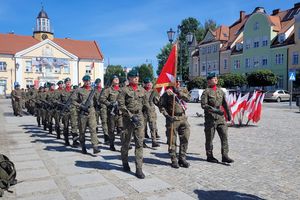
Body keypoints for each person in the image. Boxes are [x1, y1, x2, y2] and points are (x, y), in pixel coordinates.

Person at [117, 69, 150, 179]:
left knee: (139, 143)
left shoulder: (142, 90)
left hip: (139, 118)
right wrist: (131, 116)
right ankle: (125, 162)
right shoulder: (124, 90)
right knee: (126, 143)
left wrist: (148, 114)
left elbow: (146, 104)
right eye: (134, 77)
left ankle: (139, 168)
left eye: (137, 77)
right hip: (128, 119)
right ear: (129, 78)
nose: (136, 78)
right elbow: (121, 105)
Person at [200, 72, 234, 163]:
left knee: (224, 136)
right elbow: (203, 105)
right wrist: (215, 110)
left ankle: (225, 155)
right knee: (209, 138)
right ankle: (210, 156)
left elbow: (225, 104)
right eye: (213, 78)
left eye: (216, 78)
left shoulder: (220, 91)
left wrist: (229, 114)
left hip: (220, 118)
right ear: (209, 81)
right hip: (210, 119)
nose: (215, 79)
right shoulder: (206, 92)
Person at [159, 77, 191, 168]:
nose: (177, 83)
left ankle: (182, 158)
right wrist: (167, 116)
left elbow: (188, 99)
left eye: (179, 81)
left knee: (185, 138)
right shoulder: (167, 93)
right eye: (176, 82)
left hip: (183, 118)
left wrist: (178, 92)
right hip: (172, 119)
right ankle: (173, 159)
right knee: (172, 140)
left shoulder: (183, 90)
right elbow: (161, 106)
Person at [76, 75, 100, 154]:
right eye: (86, 81)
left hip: (91, 112)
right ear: (84, 81)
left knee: (93, 129)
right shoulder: (79, 90)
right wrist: (81, 106)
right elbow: (73, 101)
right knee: (82, 131)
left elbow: (97, 100)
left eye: (89, 81)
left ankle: (95, 146)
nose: (88, 82)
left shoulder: (93, 90)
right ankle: (83, 146)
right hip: (82, 113)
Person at [100, 75, 123, 151]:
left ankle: (124, 144)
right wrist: (109, 104)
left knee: (122, 128)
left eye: (117, 79)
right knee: (111, 129)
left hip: (120, 113)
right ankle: (111, 144)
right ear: (112, 81)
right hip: (112, 113)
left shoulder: (122, 90)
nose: (117, 80)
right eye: (115, 79)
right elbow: (102, 98)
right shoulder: (108, 90)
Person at [142, 77, 160, 148]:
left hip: (151, 112)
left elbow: (156, 102)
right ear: (145, 84)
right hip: (143, 112)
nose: (149, 85)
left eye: (150, 83)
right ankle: (142, 141)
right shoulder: (141, 91)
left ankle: (154, 141)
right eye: (148, 83)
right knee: (142, 128)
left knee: (153, 127)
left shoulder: (154, 92)